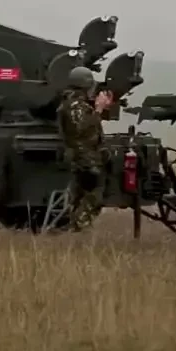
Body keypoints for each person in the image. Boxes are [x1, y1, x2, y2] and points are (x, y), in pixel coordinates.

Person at [57, 66, 115, 232]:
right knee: (95, 195)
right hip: (84, 158)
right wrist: (98, 109)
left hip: (82, 157)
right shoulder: (75, 105)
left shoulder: (74, 103)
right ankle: (77, 226)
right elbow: (82, 128)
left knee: (78, 196)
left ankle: (70, 227)